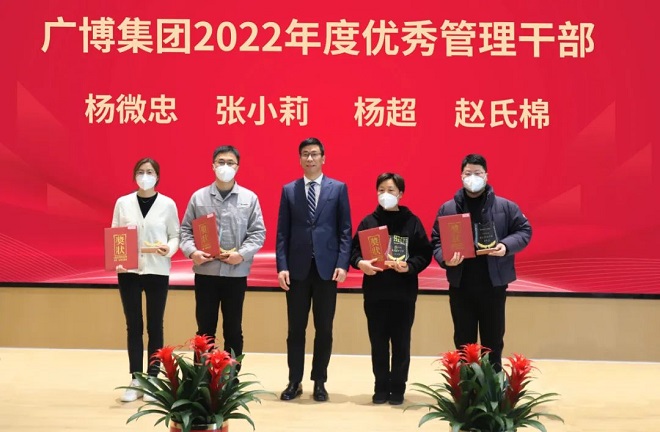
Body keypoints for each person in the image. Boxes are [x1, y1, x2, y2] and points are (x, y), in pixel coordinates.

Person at [431, 154, 532, 370]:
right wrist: (445, 259)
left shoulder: (505, 206)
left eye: (477, 173)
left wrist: (505, 246)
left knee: (493, 342)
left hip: (493, 286)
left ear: (486, 175)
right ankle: (466, 387)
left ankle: (492, 386)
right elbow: (437, 240)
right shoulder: (448, 209)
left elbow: (524, 231)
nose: (473, 178)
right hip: (461, 286)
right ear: (461, 176)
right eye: (468, 173)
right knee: (463, 342)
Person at [276, 137, 352, 402]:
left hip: (327, 270)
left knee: (324, 329)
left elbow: (345, 230)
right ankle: (294, 381)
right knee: (295, 330)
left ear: (323, 158)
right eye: (305, 154)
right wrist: (282, 266)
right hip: (296, 270)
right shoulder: (289, 190)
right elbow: (282, 233)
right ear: (300, 159)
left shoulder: (338, 188)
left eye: (315, 154)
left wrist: (342, 263)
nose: (310, 158)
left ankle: (320, 381)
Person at [350, 173, 432, 405]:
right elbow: (353, 251)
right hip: (375, 294)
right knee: (378, 343)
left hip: (403, 294)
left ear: (401, 194)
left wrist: (409, 266)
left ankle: (398, 387)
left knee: (401, 343)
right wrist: (360, 263)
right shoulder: (368, 222)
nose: (385, 194)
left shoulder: (412, 222)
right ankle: (380, 386)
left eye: (391, 190)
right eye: (381, 190)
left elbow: (424, 253)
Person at [180, 145, 266, 363]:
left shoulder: (249, 198)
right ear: (213, 165)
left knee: (233, 329)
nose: (225, 166)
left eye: (230, 163)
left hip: (236, 274)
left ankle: (231, 378)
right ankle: (202, 378)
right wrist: (193, 252)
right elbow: (185, 231)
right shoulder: (199, 197)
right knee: (204, 330)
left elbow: (258, 233)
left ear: (237, 167)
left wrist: (241, 255)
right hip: (206, 273)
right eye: (221, 162)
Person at [112, 157, 180, 402]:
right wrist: (118, 258)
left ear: (157, 176)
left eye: (150, 172)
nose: (145, 176)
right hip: (129, 272)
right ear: (134, 175)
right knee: (133, 325)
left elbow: (175, 235)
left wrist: (169, 249)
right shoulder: (123, 203)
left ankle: (152, 378)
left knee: (155, 325)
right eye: (141, 171)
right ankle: (136, 378)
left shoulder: (167, 204)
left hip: (157, 270)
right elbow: (116, 234)